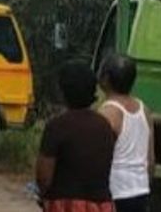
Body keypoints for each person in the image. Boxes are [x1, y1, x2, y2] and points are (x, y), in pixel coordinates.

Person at [36, 61, 116, 212]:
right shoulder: (105, 126)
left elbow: (44, 178)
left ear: (63, 91)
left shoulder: (56, 127)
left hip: (64, 205)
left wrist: (43, 195)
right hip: (100, 205)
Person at [98, 53, 153, 212]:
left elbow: (98, 159)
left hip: (115, 193)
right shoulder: (145, 110)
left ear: (106, 79)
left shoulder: (108, 113)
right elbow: (150, 159)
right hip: (141, 191)